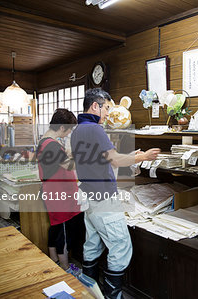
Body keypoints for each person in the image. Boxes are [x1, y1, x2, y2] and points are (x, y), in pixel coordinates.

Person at [71, 88, 160, 299]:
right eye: (107, 108)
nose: (108, 114)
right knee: (121, 246)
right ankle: (113, 296)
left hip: (89, 197)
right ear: (95, 106)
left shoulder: (78, 130)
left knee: (92, 244)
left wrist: (130, 155)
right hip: (103, 198)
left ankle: (89, 292)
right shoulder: (95, 129)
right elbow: (116, 161)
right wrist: (143, 157)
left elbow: (103, 159)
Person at [36, 108, 82, 274]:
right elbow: (68, 165)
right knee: (63, 230)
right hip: (58, 193)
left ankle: (54, 259)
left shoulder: (46, 141)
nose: (69, 133)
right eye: (69, 129)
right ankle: (65, 267)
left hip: (53, 191)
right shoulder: (52, 145)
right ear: (62, 128)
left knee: (55, 227)